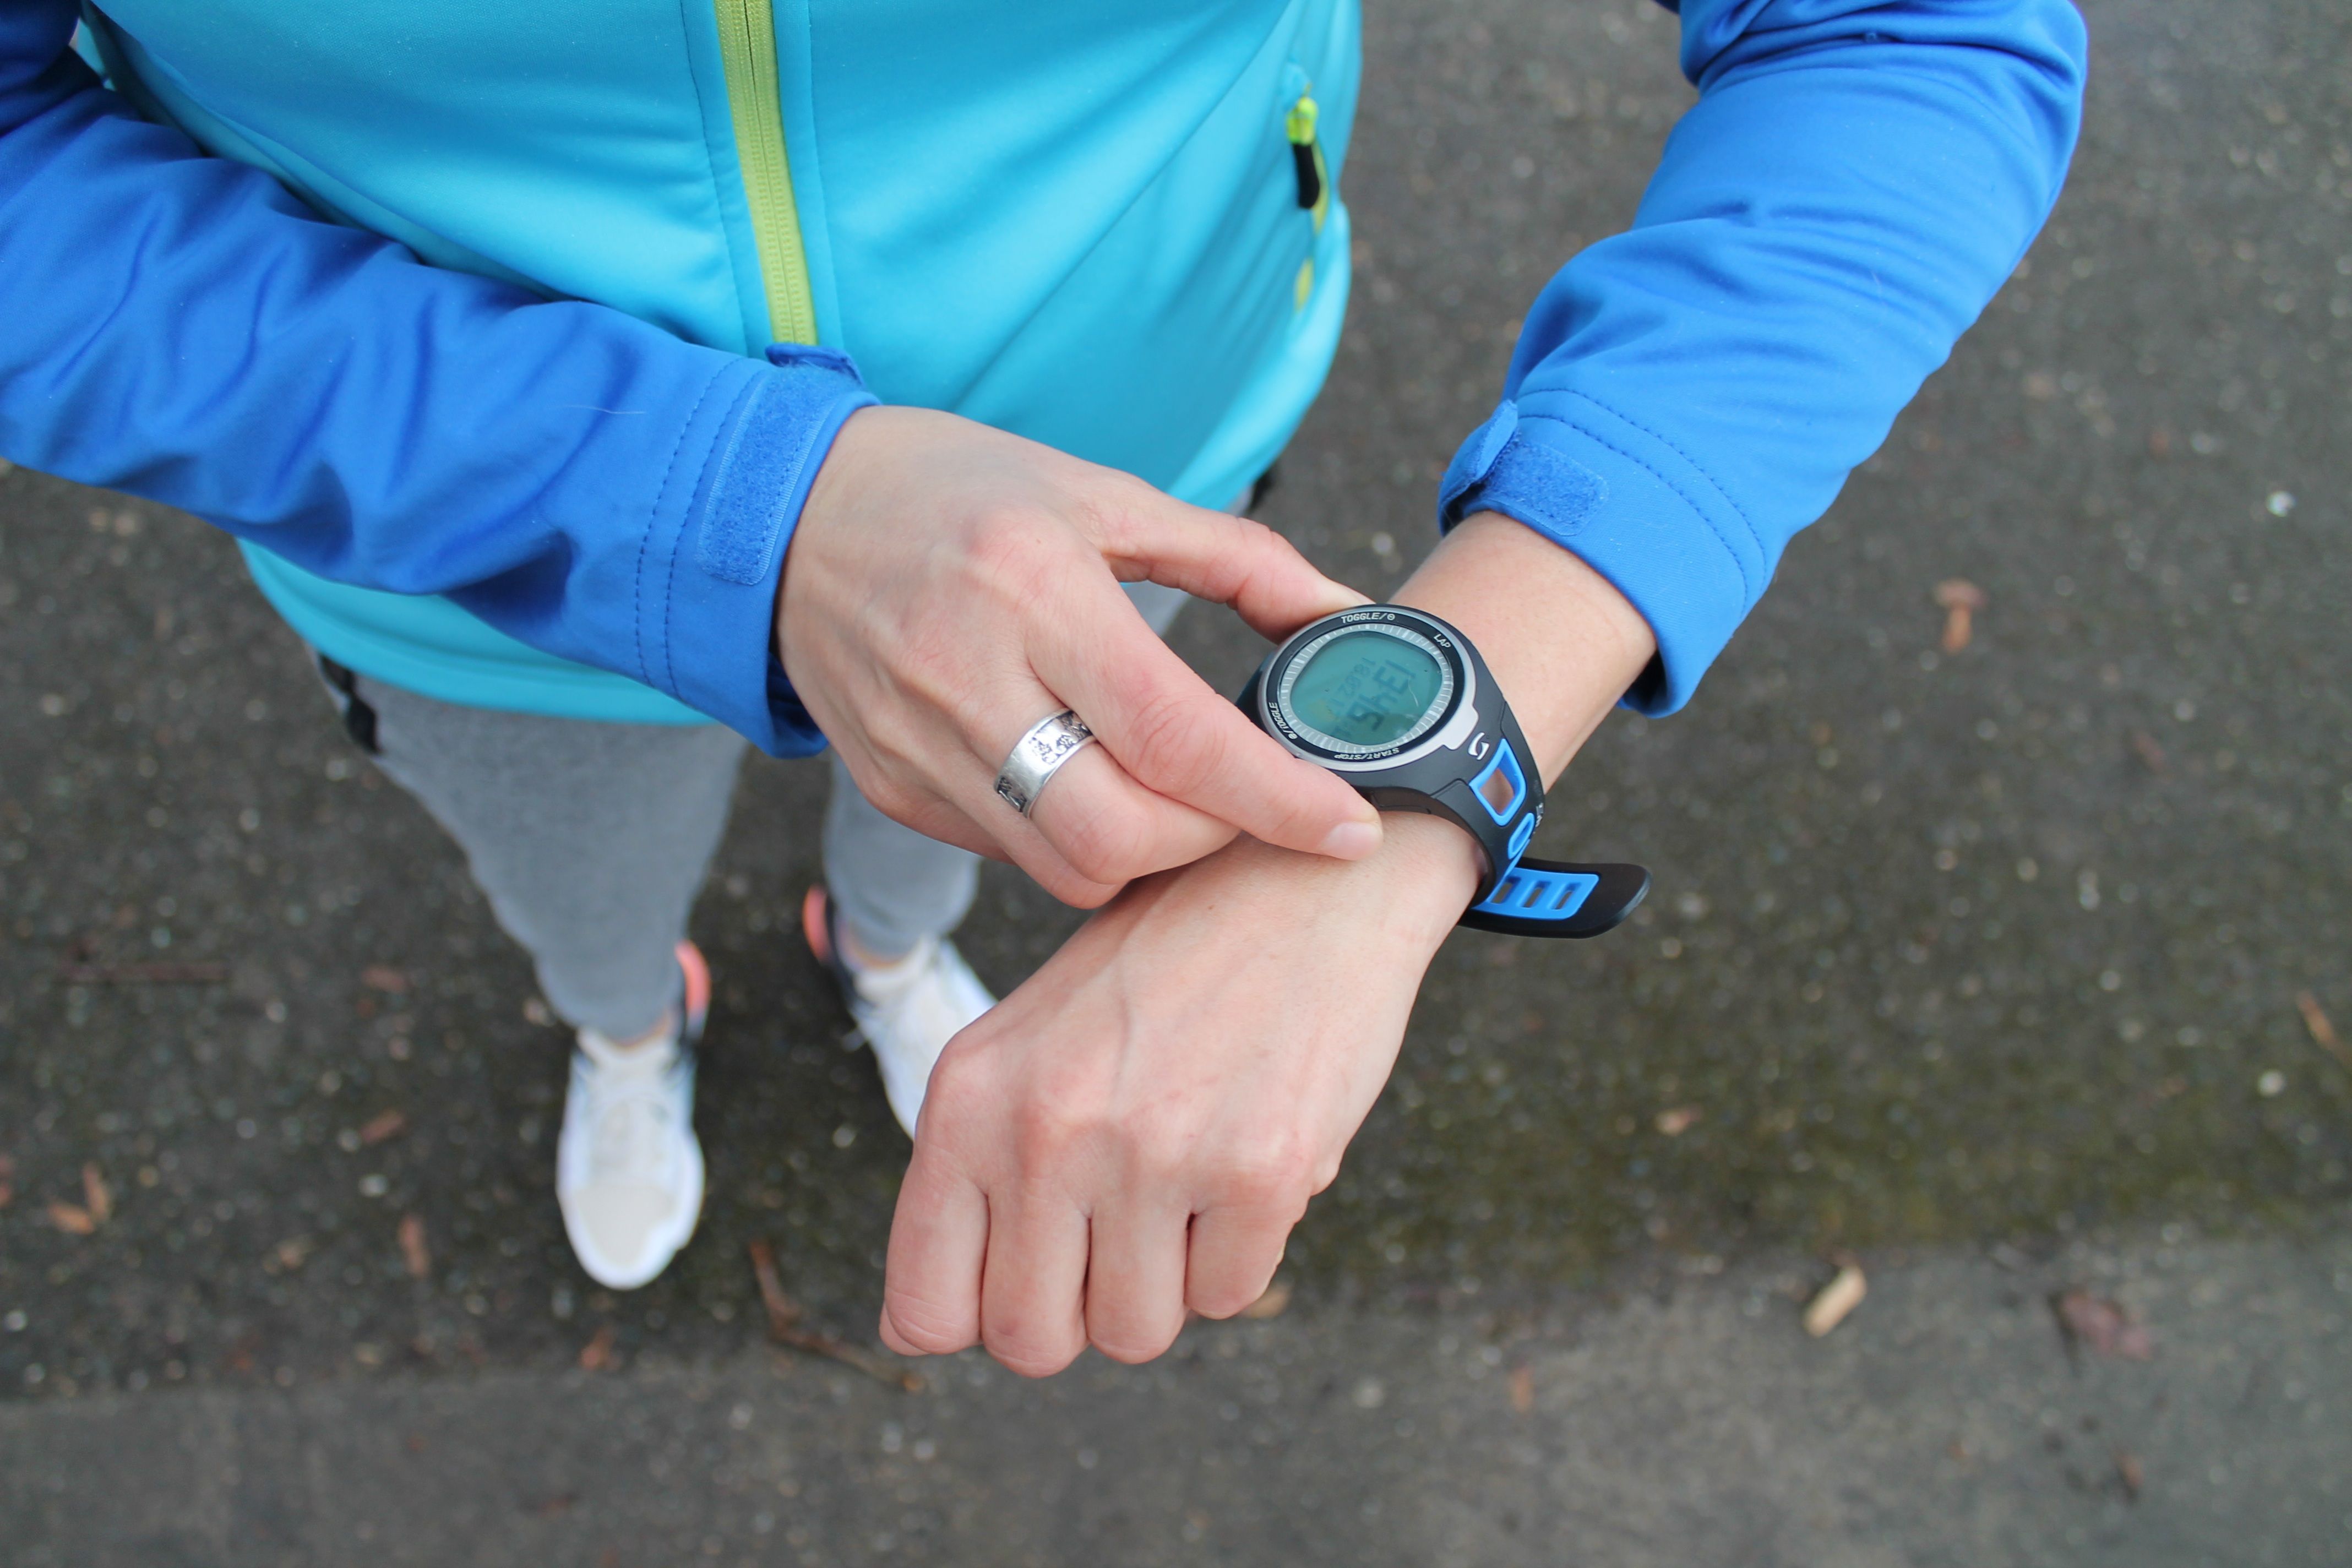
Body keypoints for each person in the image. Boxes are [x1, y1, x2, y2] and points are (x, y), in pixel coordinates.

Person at [0, 0, 2085, 1371]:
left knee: (986, 857)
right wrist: (723, 499)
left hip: (1145, 489)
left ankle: (884, 952)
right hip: (475, 576)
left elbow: (1914, 31)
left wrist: (1404, 810)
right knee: (580, 894)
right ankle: (629, 1023)